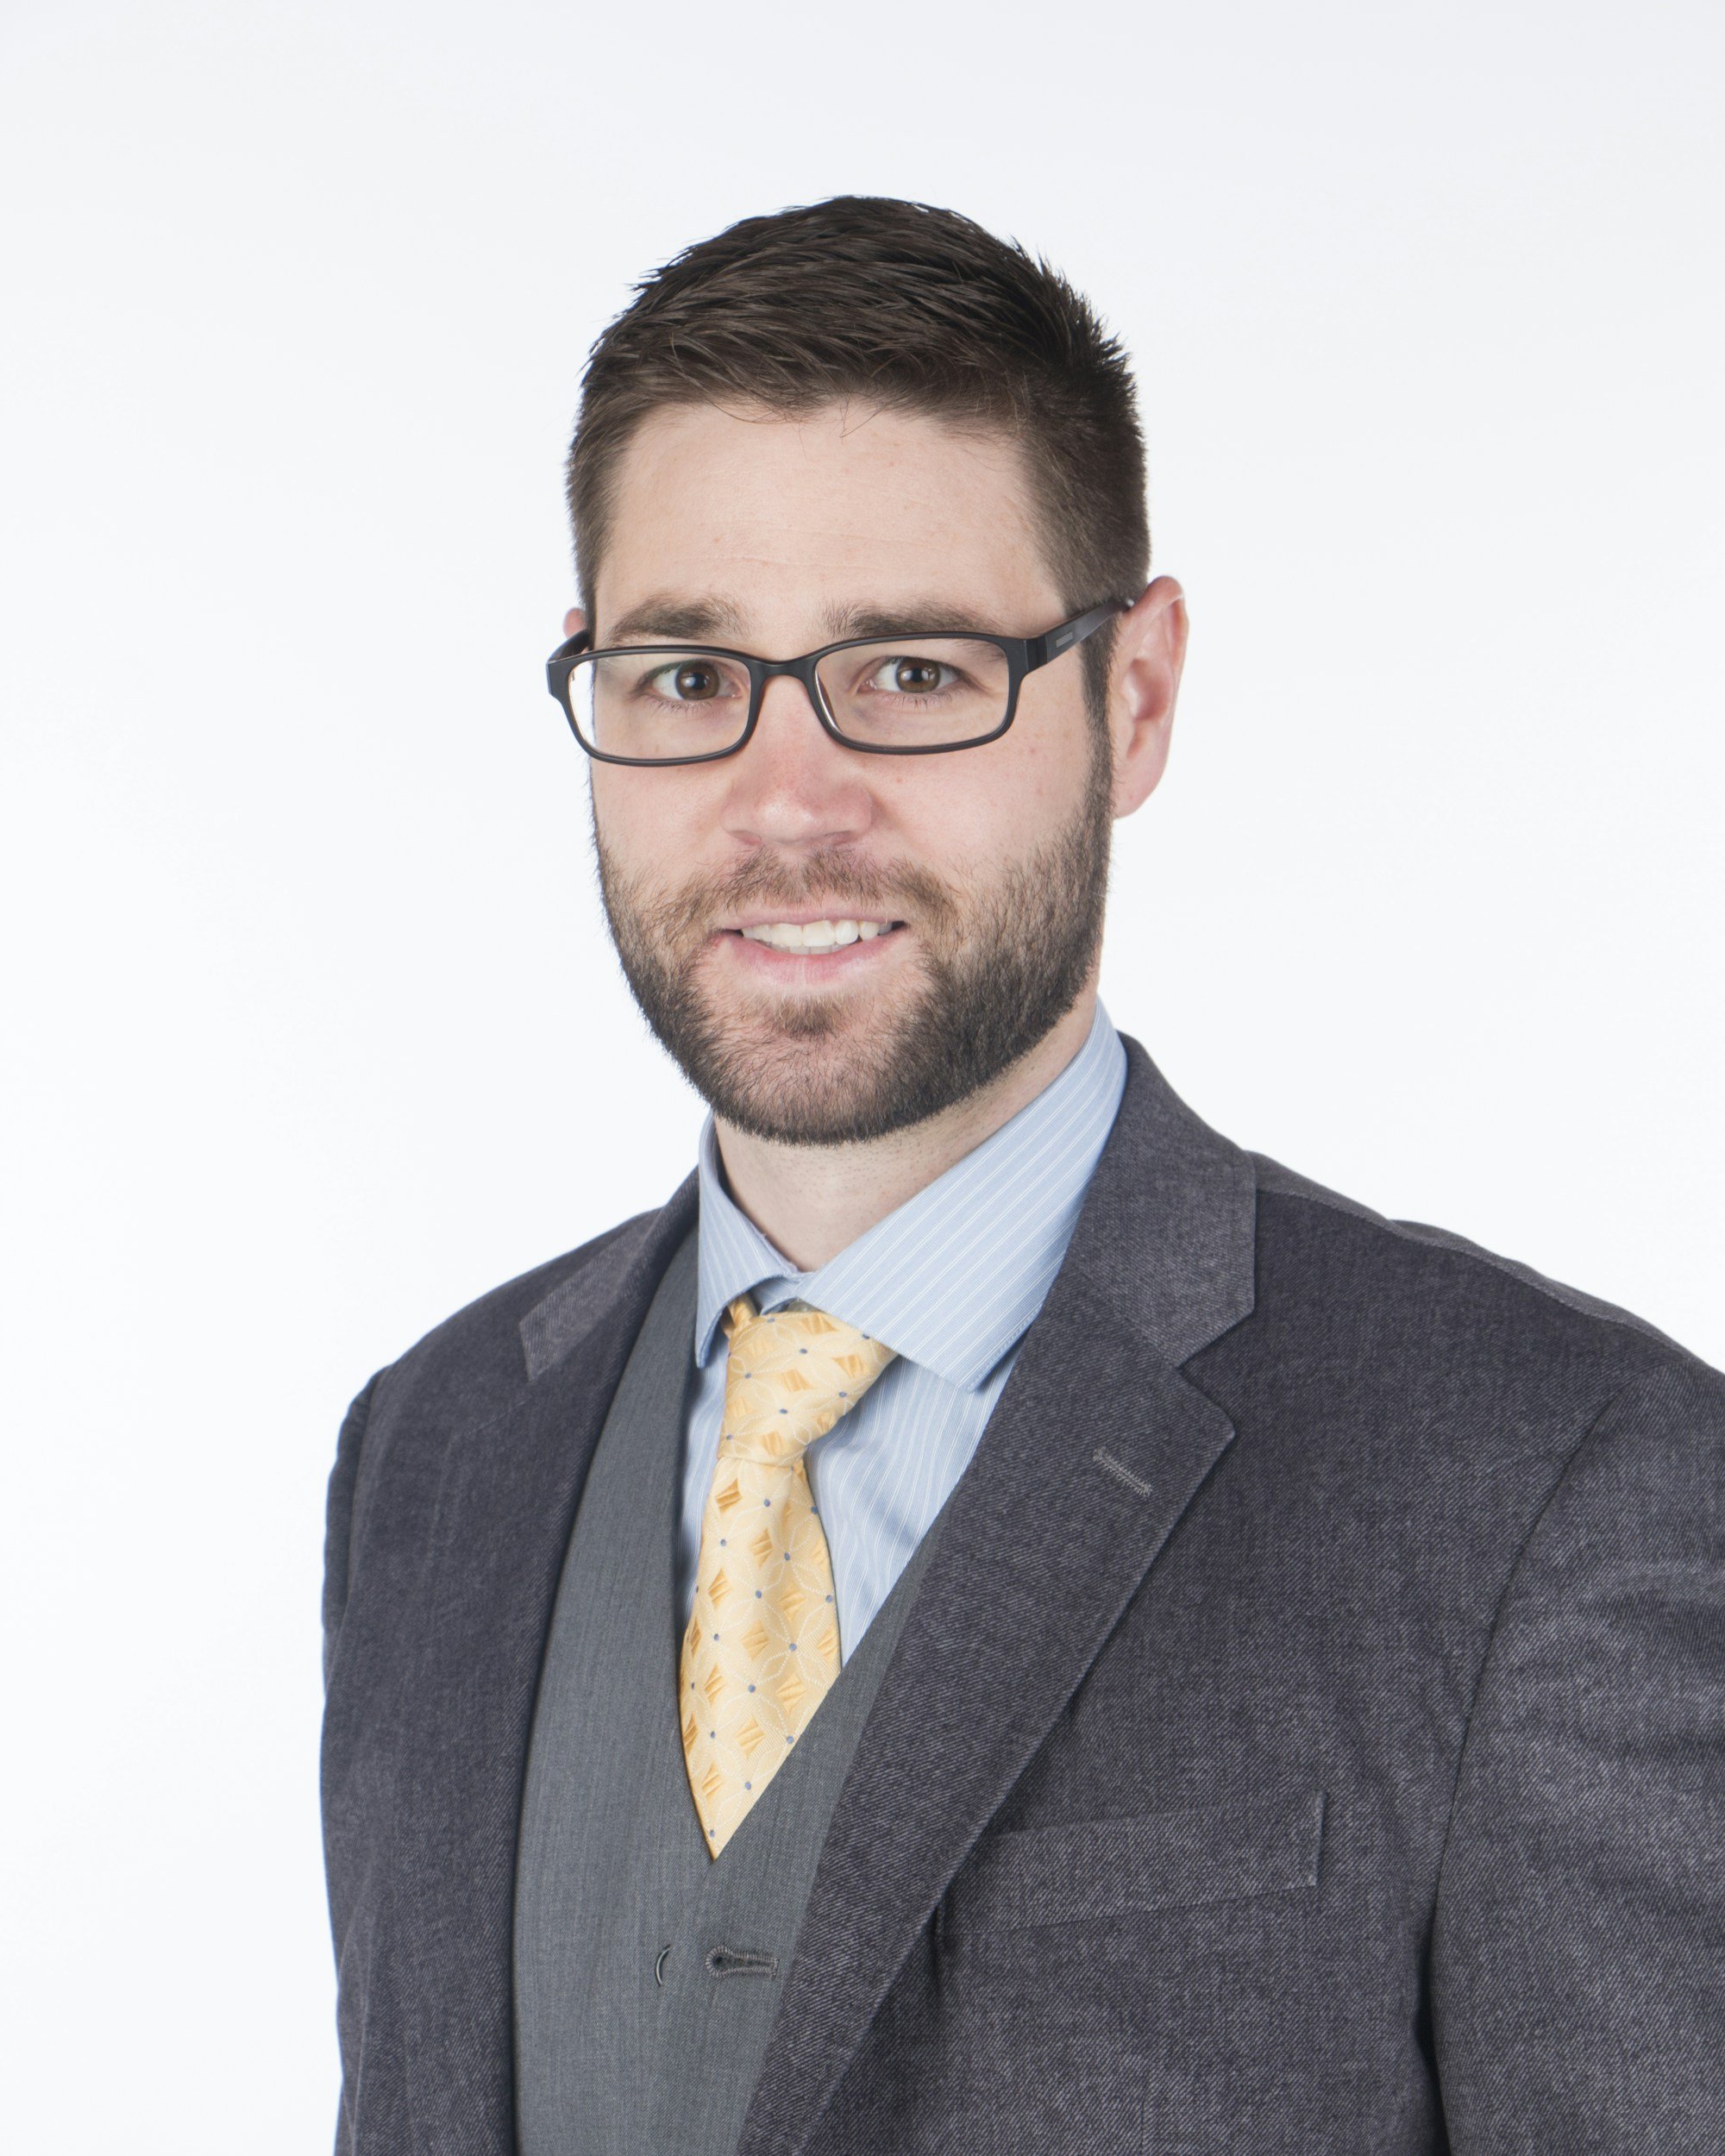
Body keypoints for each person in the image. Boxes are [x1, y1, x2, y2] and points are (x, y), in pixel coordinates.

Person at [318, 197, 1723, 2155]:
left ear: (1130, 696)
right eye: (686, 675)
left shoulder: (1556, 1476)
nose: (784, 801)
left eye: (906, 672)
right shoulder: (437, 1444)